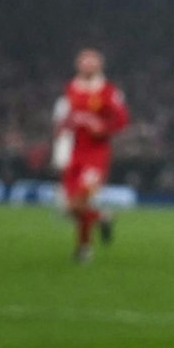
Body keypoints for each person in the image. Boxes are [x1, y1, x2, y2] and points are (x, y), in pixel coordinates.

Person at [52, 47, 128, 263]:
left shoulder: (108, 91)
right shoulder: (71, 89)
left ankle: (85, 248)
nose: (87, 66)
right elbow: (64, 119)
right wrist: (62, 135)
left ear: (99, 66)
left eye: (92, 62)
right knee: (69, 209)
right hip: (74, 155)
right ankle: (100, 220)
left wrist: (102, 127)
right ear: (78, 65)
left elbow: (122, 120)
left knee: (79, 202)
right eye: (84, 62)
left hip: (96, 157)